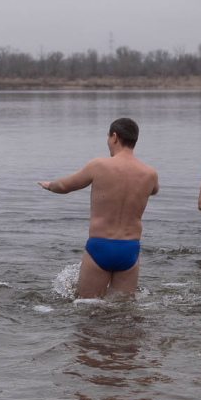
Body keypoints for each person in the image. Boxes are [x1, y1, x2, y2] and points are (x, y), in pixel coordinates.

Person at [38, 118, 159, 299]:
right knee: (123, 313)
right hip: (130, 249)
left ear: (115, 137)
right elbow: (155, 190)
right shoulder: (150, 173)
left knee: (88, 310)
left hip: (100, 246)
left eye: (108, 137)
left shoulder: (99, 165)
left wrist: (50, 185)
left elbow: (64, 186)